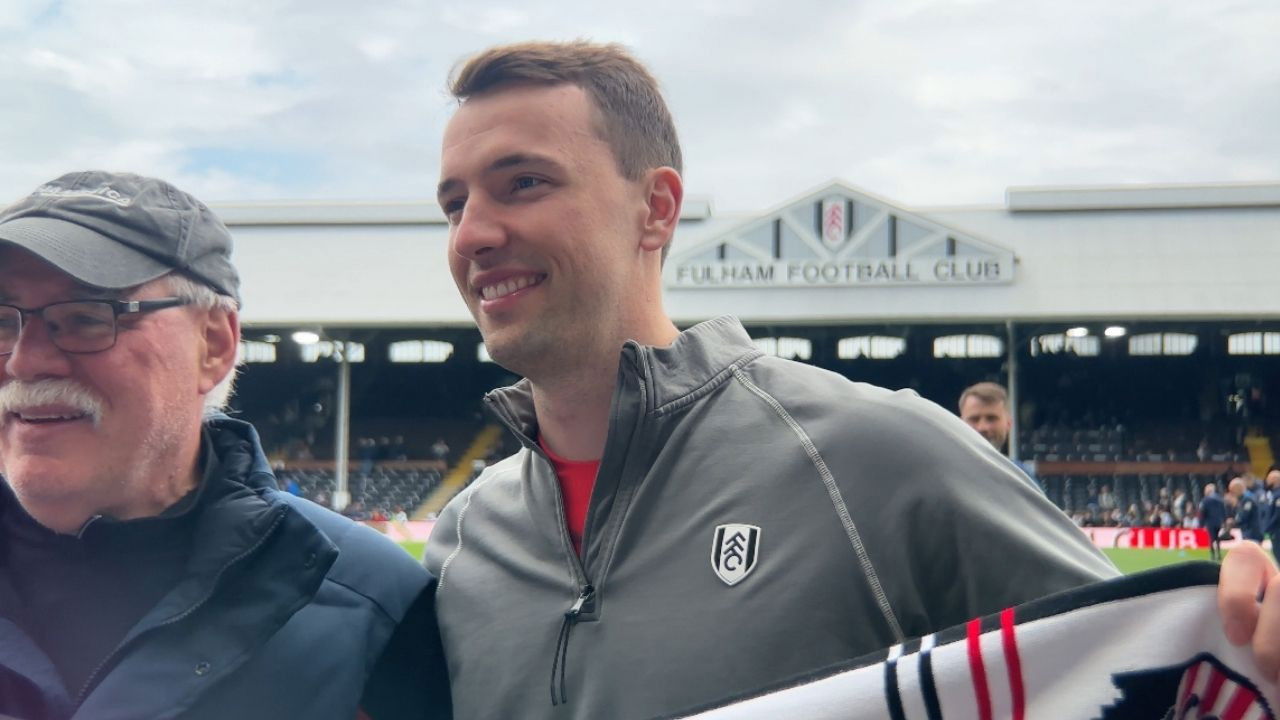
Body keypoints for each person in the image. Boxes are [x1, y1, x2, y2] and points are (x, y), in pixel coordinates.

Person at [421, 38, 1280, 720]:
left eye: (522, 183)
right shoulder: (464, 537)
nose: (472, 235)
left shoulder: (876, 459)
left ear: (656, 208)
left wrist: (1255, 633)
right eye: (455, 204)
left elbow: (1159, 678)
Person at [0, 171, 449, 719]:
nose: (24, 360)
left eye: (86, 318)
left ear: (213, 344)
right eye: (2, 322)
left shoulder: (374, 603)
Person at [957, 381, 1013, 452]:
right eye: (974, 419)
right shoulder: (941, 462)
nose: (983, 428)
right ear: (960, 424)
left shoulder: (1013, 464)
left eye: (991, 418)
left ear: (1008, 423)